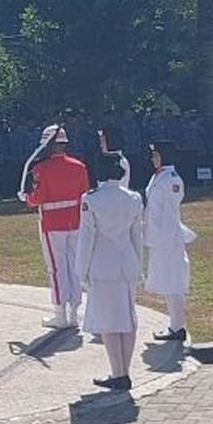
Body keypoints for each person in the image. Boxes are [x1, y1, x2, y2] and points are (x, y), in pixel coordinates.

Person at [75, 152, 144, 391]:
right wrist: (139, 266)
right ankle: (124, 370)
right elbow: (137, 237)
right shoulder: (134, 198)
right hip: (127, 264)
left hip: (103, 266)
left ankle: (119, 372)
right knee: (127, 318)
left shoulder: (91, 199)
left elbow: (86, 239)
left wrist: (81, 270)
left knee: (109, 321)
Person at [24, 125, 90, 329]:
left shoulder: (41, 169)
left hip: (52, 223)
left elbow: (38, 197)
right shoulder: (79, 166)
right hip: (75, 222)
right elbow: (84, 193)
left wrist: (27, 197)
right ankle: (74, 311)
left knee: (56, 268)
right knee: (73, 266)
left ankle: (60, 313)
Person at [144, 140, 196, 342]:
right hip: (161, 237)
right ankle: (174, 324)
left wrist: (158, 233)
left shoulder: (171, 179)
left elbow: (170, 208)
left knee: (173, 280)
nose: (153, 159)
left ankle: (177, 326)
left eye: (156, 155)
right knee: (166, 280)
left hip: (168, 236)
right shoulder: (160, 176)